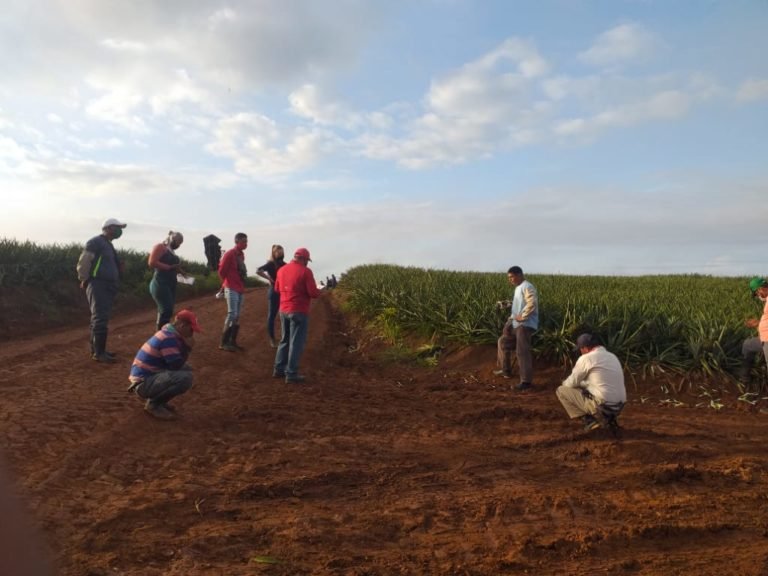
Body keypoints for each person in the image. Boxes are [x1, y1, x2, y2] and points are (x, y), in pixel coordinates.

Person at [128, 309, 201, 420]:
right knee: (185, 378)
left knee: (186, 370)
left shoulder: (169, 334)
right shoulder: (169, 338)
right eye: (191, 329)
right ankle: (154, 404)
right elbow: (176, 365)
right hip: (143, 383)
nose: (192, 333)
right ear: (182, 325)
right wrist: (187, 348)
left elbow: (177, 363)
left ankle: (159, 401)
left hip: (146, 378)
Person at [76, 218, 127, 363]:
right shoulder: (95, 242)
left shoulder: (108, 245)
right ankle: (99, 353)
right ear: (108, 228)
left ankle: (98, 350)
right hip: (98, 284)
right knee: (100, 318)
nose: (119, 231)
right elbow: (84, 261)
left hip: (107, 285)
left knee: (100, 317)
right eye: (117, 228)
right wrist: (84, 279)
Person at [556, 333, 627, 431]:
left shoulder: (586, 358)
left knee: (561, 390)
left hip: (602, 405)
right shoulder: (612, 356)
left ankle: (589, 421)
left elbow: (570, 383)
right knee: (589, 389)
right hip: (619, 406)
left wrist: (564, 382)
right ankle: (608, 420)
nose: (581, 352)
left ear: (585, 348)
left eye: (580, 349)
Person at [273, 247, 322, 383]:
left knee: (284, 340)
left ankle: (278, 369)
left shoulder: (281, 270)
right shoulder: (306, 272)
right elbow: (313, 293)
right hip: (299, 311)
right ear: (303, 259)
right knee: (296, 343)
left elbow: (277, 288)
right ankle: (291, 373)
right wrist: (319, 290)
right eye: (307, 260)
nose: (307, 263)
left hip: (283, 310)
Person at [495, 265, 539, 390]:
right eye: (509, 278)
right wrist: (509, 318)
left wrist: (523, 316)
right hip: (516, 324)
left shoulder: (527, 286)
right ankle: (506, 370)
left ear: (519, 275)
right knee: (502, 342)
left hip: (524, 325)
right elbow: (518, 306)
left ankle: (526, 382)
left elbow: (532, 303)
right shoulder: (518, 288)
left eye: (511, 277)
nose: (510, 280)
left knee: (522, 351)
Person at [148, 231, 186, 331]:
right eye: (177, 242)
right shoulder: (160, 247)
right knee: (166, 310)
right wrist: (169, 267)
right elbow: (152, 262)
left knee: (166, 311)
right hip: (160, 283)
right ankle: (161, 337)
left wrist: (182, 272)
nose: (178, 245)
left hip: (170, 284)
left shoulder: (172, 252)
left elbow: (174, 268)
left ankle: (161, 334)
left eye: (180, 244)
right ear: (171, 238)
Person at [218, 232, 248, 352]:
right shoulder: (230, 254)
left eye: (246, 241)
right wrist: (224, 284)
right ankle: (223, 342)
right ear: (237, 241)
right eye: (244, 241)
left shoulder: (241, 255)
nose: (246, 244)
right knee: (232, 314)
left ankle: (232, 341)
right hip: (231, 287)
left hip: (239, 287)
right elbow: (221, 271)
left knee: (237, 315)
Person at [739, 277, 768, 387]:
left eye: (756, 294)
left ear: (760, 289)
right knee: (747, 345)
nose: (758, 296)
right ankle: (744, 378)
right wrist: (758, 323)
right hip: (764, 339)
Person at [256, 244, 286, 348]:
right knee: (272, 315)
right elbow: (258, 270)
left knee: (284, 315)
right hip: (274, 292)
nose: (280, 253)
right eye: (278, 251)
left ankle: (284, 338)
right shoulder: (270, 264)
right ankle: (272, 339)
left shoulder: (285, 264)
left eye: (281, 251)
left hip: (284, 292)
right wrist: (269, 278)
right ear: (273, 253)